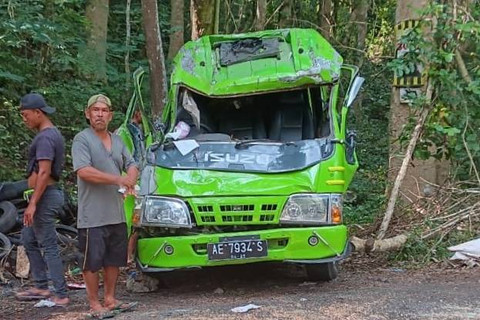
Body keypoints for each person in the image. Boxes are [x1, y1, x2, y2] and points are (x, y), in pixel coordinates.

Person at [72, 94, 139, 317]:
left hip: (116, 212)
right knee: (92, 261)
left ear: (110, 115)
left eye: (104, 110)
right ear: (87, 114)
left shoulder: (118, 141)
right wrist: (118, 179)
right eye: (95, 110)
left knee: (114, 259)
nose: (100, 114)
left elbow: (131, 164)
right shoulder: (82, 139)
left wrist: (130, 177)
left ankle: (110, 299)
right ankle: (94, 304)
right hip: (92, 214)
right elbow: (84, 171)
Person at [15, 93, 69, 306]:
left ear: (38, 113)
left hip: (45, 196)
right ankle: (41, 286)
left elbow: (45, 172)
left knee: (48, 243)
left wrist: (33, 203)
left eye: (26, 114)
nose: (24, 119)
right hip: (43, 195)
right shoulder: (49, 134)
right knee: (28, 239)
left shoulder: (46, 137)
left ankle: (61, 293)